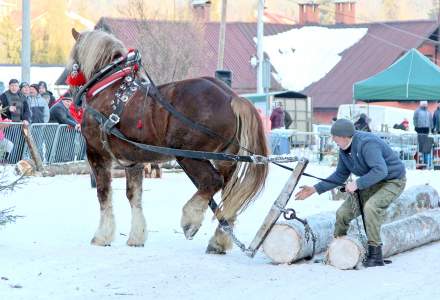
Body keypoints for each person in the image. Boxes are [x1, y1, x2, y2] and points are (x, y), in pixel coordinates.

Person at [295, 119, 406, 268]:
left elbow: (381, 170)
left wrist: (357, 184)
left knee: (371, 207)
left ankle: (375, 254)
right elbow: (340, 175)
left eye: (334, 136)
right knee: (342, 213)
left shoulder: (367, 144)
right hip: (371, 181)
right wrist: (315, 189)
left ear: (344, 136)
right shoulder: (344, 150)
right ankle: (335, 250)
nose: (332, 139)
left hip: (392, 180)